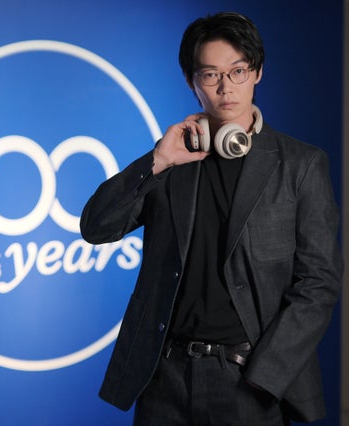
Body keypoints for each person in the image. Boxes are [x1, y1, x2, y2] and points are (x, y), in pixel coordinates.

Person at [80, 11, 343, 426]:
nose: (226, 87)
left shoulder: (300, 165)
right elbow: (96, 227)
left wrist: (266, 377)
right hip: (164, 380)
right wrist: (158, 161)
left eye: (238, 71)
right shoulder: (172, 160)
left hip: (248, 382)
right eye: (210, 75)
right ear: (192, 82)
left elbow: (319, 282)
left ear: (257, 72)